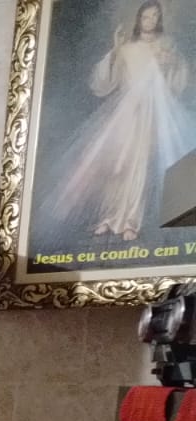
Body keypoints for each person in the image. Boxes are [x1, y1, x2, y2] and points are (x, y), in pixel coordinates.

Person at [47, 0, 196, 242]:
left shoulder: (165, 47)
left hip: (151, 115)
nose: (150, 21)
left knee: (139, 167)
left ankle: (130, 222)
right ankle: (108, 217)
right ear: (138, 19)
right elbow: (105, 83)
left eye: (155, 17)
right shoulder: (126, 48)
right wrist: (115, 50)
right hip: (125, 113)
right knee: (116, 165)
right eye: (146, 16)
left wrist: (170, 64)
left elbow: (176, 82)